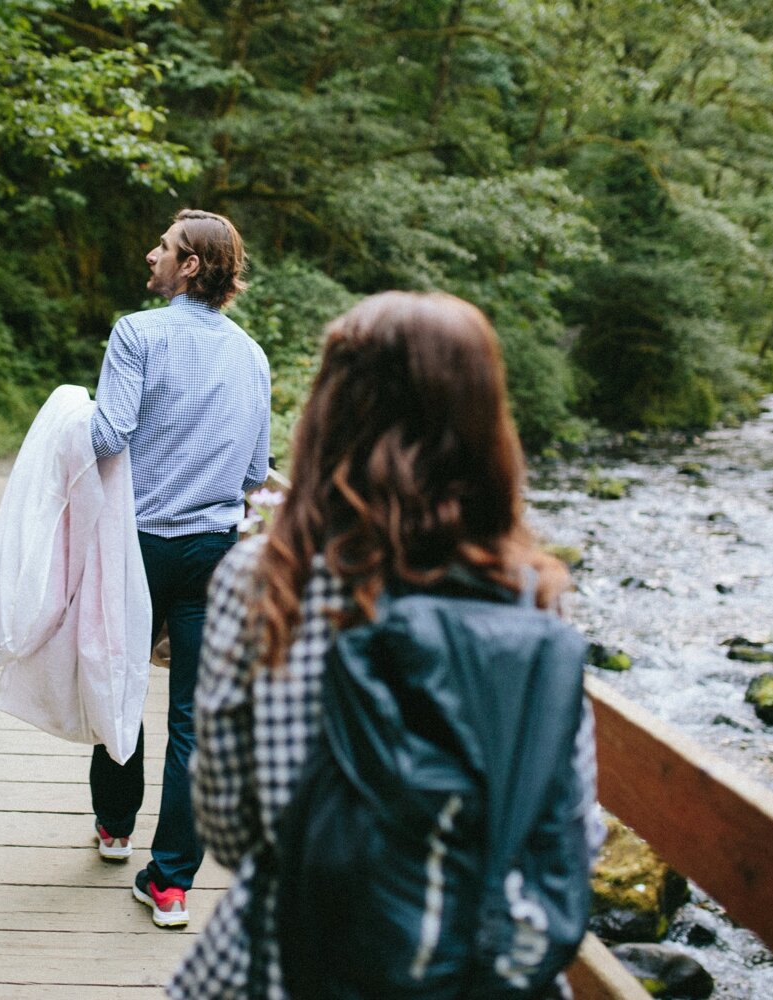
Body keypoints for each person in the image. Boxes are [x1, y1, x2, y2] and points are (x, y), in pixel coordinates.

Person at [170, 291, 605, 997]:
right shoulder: (533, 597)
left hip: (294, 962)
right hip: (473, 969)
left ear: (330, 413)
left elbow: (224, 826)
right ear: (486, 427)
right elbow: (569, 830)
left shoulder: (261, 579)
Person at [88, 208, 272, 929]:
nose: (151, 254)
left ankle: (114, 826)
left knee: (120, 681)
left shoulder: (137, 332)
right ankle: (169, 885)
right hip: (213, 553)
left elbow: (107, 434)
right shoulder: (252, 357)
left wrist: (66, 414)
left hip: (137, 545)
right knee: (194, 720)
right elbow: (257, 471)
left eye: (163, 248)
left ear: (190, 266)